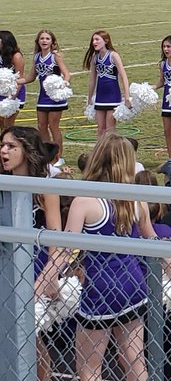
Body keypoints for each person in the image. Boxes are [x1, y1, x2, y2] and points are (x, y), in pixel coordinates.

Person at [36, 133, 171, 381]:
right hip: (133, 285)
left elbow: (63, 252)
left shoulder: (85, 201)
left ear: (96, 159)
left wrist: (36, 287)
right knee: (134, 361)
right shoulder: (136, 199)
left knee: (89, 368)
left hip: (100, 289)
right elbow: (153, 240)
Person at [0, 126, 62, 381]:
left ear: (28, 151)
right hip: (5, 271)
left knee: (30, 341)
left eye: (11, 146)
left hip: (32, 274)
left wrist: (45, 280)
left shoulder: (45, 189)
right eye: (2, 145)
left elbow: (58, 246)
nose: (3, 151)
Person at [30, 30, 70, 166]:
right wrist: (17, 81)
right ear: (38, 41)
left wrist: (62, 84)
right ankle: (48, 154)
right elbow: (31, 77)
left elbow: (66, 74)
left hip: (55, 97)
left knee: (53, 125)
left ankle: (58, 157)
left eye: (47, 38)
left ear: (52, 41)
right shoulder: (36, 57)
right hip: (42, 97)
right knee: (41, 126)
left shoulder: (55, 57)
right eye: (42, 38)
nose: (44, 41)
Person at [82, 30, 131, 136]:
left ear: (106, 41)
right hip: (100, 97)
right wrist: (89, 99)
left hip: (112, 96)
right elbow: (92, 80)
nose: (94, 42)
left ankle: (110, 152)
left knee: (110, 130)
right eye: (93, 40)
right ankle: (100, 152)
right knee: (100, 129)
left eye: (97, 39)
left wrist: (127, 98)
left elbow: (124, 77)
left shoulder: (113, 56)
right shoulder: (95, 58)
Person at [0, 30, 27, 132]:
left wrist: (12, 98)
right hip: (1, 92)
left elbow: (19, 79)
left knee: (8, 125)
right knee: (1, 123)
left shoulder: (16, 56)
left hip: (14, 94)